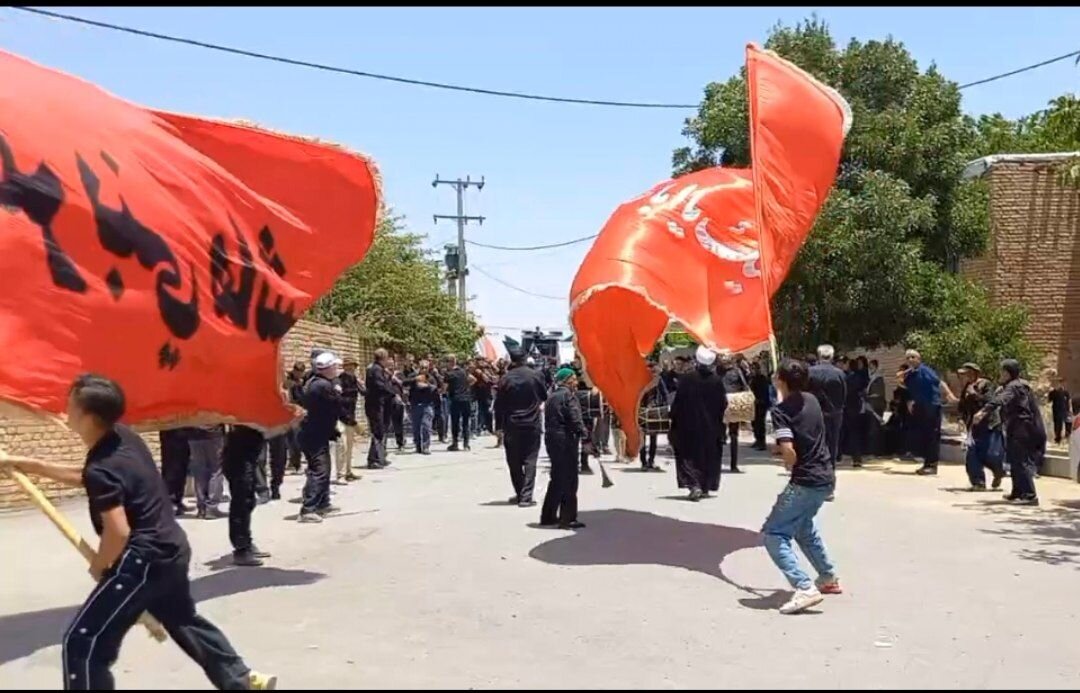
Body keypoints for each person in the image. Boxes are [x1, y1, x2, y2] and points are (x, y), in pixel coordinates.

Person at [0, 374, 275, 690]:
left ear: (87, 416)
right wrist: (25, 464)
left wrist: (101, 564)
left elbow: (117, 531)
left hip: (142, 561)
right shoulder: (123, 437)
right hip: (171, 548)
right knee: (183, 619)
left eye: (71, 405)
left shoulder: (103, 465)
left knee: (83, 642)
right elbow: (88, 477)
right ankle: (242, 680)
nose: (66, 410)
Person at [762, 358, 841, 615]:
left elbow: (790, 452)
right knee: (804, 527)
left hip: (805, 480)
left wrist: (783, 456)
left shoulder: (781, 411)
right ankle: (827, 577)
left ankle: (804, 586)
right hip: (825, 476)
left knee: (775, 533)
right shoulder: (812, 400)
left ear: (780, 381)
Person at [974, 359, 1047, 505]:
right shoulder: (1014, 385)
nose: (1000, 374)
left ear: (1008, 373)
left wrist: (983, 412)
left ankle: (1030, 495)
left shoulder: (1014, 386)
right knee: (1014, 460)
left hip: (1022, 427)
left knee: (1021, 461)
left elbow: (1000, 400)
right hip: (1017, 426)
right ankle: (1017, 492)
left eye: (1002, 371)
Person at [669, 346, 727, 501]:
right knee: (709, 455)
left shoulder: (687, 380)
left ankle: (694, 485)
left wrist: (673, 417)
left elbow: (678, 403)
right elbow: (723, 404)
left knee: (688, 455)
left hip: (688, 426)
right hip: (711, 427)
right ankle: (706, 485)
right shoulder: (717, 381)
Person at [495, 347, 550, 507]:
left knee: (514, 461)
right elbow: (544, 396)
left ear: (511, 360)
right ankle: (526, 497)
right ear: (525, 358)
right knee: (530, 459)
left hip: (511, 424)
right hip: (532, 423)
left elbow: (499, 405)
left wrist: (498, 427)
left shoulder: (505, 379)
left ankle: (520, 493)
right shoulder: (536, 376)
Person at [540, 368, 588, 529]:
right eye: (574, 379)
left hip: (552, 439)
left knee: (557, 478)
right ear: (567, 380)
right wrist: (586, 437)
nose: (576, 382)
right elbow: (575, 419)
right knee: (569, 479)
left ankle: (548, 516)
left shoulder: (552, 396)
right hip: (565, 440)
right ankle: (568, 518)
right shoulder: (569, 396)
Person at [298, 352, 342, 523]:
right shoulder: (322, 385)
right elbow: (336, 406)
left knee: (324, 468)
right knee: (319, 470)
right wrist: (351, 422)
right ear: (328, 368)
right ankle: (308, 509)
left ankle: (323, 502)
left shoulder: (316, 382)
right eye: (335, 366)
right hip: (313, 435)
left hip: (315, 433)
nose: (337, 369)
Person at [222, 425, 273, 567]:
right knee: (241, 503)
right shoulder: (244, 420)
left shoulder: (253, 420)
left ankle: (246, 543)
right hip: (239, 462)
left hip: (246, 460)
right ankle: (241, 549)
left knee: (248, 501)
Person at [900, 349, 955, 476]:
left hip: (932, 405)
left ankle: (932, 465)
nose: (910, 360)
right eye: (908, 358)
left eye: (913, 357)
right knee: (923, 435)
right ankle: (926, 463)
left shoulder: (925, 370)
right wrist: (910, 401)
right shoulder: (910, 374)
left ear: (919, 359)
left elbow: (939, 382)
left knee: (932, 436)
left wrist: (949, 395)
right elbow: (908, 388)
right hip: (920, 407)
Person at [956, 362, 1005, 491]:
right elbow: (962, 405)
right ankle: (978, 483)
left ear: (974, 373)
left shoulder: (986, 384)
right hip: (974, 426)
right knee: (972, 454)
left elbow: (989, 402)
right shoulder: (967, 386)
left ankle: (999, 471)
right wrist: (960, 419)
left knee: (989, 455)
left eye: (966, 373)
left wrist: (974, 394)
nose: (964, 377)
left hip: (989, 425)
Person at [808, 345, 846, 468]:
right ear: (832, 356)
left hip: (815, 412)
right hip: (834, 413)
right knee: (832, 443)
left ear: (819, 355)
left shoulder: (810, 372)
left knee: (814, 442)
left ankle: (816, 467)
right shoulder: (840, 373)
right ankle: (830, 468)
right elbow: (844, 394)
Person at [186, 424, 226, 520]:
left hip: (193, 434)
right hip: (213, 434)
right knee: (216, 470)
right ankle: (211, 507)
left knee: (199, 471)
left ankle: (202, 508)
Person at [364, 348, 396, 469]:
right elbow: (380, 386)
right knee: (378, 431)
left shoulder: (380, 369)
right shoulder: (375, 369)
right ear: (383, 358)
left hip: (381, 405)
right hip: (375, 405)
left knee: (382, 430)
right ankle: (373, 459)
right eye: (387, 358)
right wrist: (393, 393)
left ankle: (380, 456)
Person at [638, 361, 670, 471]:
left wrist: (665, 406)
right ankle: (643, 462)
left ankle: (650, 461)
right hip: (642, 410)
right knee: (642, 437)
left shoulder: (658, 380)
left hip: (654, 410)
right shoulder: (641, 379)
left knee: (653, 437)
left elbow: (664, 393)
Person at [335, 357, 363, 482]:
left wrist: (361, 384)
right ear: (344, 367)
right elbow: (339, 401)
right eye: (348, 366)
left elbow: (364, 393)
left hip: (350, 415)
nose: (351, 368)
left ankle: (348, 471)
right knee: (342, 446)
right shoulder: (339, 380)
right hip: (341, 417)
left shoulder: (354, 380)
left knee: (350, 446)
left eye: (353, 366)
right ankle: (340, 474)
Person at [842, 356, 870, 467]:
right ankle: (857, 457)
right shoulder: (859, 377)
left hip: (849, 407)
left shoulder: (848, 378)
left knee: (850, 432)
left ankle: (850, 454)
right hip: (857, 407)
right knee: (856, 432)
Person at [445, 355, 475, 451]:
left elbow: (444, 388)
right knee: (466, 422)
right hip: (466, 399)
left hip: (455, 399)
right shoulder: (463, 371)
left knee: (455, 422)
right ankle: (466, 444)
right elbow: (473, 379)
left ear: (450, 362)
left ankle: (455, 443)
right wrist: (466, 387)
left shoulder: (449, 374)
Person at [408, 365, 438, 455]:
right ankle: (418, 446)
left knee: (426, 426)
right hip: (415, 405)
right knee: (416, 427)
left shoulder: (431, 378)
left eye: (426, 368)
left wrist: (426, 385)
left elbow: (436, 388)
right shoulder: (413, 377)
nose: (424, 369)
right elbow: (404, 383)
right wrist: (415, 380)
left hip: (427, 405)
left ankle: (426, 447)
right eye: (422, 368)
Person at [750, 360, 771, 451]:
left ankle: (761, 442)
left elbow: (764, 391)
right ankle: (757, 439)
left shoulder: (762, 379)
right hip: (754, 403)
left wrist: (761, 400)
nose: (753, 370)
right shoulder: (752, 378)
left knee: (760, 423)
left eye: (754, 369)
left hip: (761, 403)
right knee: (754, 422)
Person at [1048, 376, 1071, 444]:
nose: (1062, 384)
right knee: (1058, 425)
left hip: (1065, 411)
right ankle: (1058, 438)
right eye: (1060, 383)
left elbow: (1069, 401)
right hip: (1056, 411)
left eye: (1063, 383)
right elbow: (1049, 400)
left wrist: (1069, 410)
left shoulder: (1066, 392)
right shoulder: (1053, 392)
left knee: (1068, 424)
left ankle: (1067, 437)